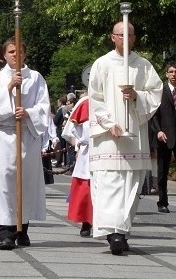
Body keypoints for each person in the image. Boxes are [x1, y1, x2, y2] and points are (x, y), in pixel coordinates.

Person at [88, 21, 162, 255]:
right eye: (120, 35)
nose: (125, 39)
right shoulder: (102, 64)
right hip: (109, 137)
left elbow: (155, 94)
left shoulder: (143, 65)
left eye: (129, 35)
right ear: (112, 37)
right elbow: (95, 98)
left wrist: (137, 96)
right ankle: (114, 233)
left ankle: (122, 231)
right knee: (109, 183)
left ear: (135, 37)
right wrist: (109, 124)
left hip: (134, 136)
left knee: (131, 184)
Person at [0, 38, 50, 250]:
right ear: (4, 55)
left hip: (27, 136)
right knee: (6, 181)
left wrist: (28, 113)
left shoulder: (35, 77)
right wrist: (9, 88)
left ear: (25, 54)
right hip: (5, 134)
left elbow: (44, 106)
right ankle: (6, 231)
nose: (15, 55)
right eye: (11, 51)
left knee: (26, 182)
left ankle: (23, 228)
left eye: (19, 51)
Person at [62, 92, 92, 237]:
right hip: (88, 153)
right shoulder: (85, 102)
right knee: (86, 188)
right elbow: (72, 130)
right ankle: (87, 221)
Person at [149, 58, 176, 213]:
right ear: (166, 74)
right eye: (171, 72)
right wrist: (158, 130)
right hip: (164, 136)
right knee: (162, 171)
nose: (174, 75)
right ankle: (162, 202)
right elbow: (155, 115)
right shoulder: (161, 92)